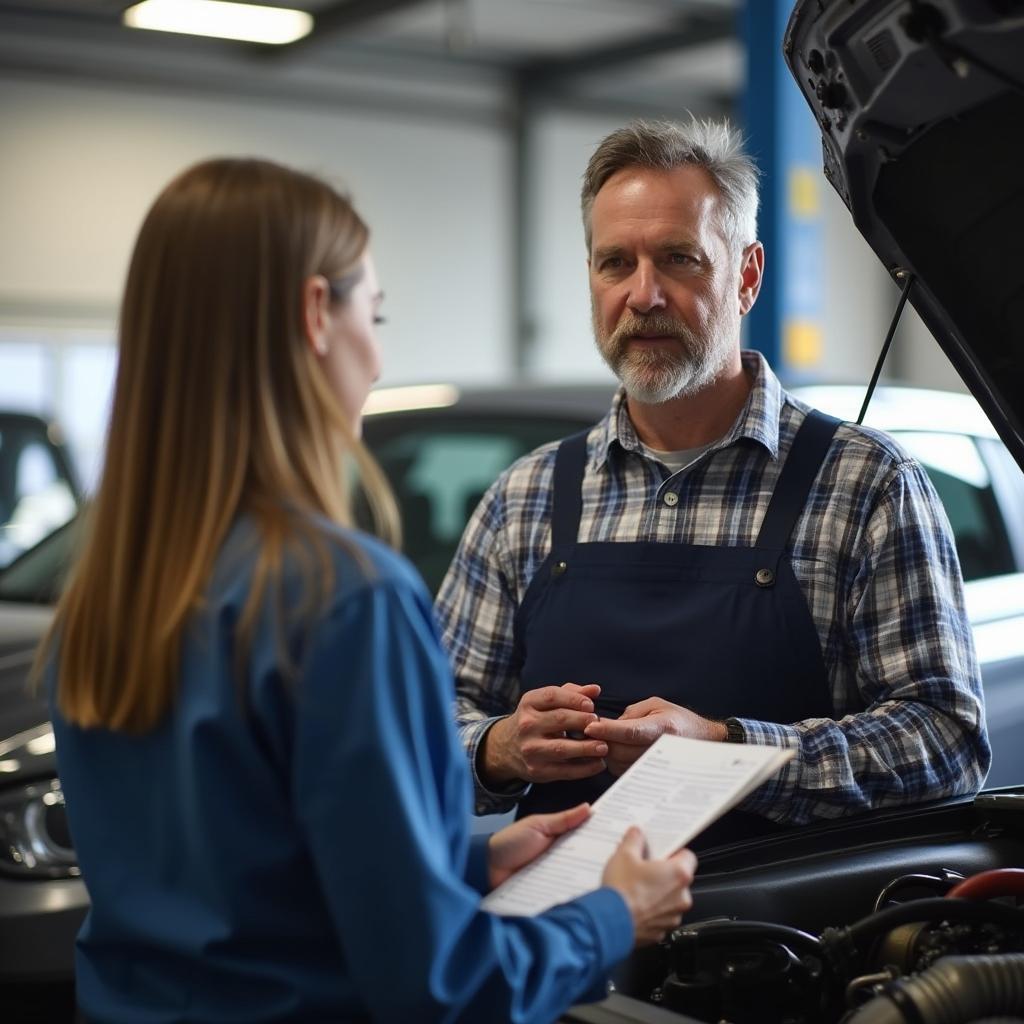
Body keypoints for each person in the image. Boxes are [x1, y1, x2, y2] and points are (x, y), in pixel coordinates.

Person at [41, 157, 698, 1023]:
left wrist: (463, 865)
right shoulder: (345, 599)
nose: (378, 353)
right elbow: (441, 987)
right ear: (319, 314)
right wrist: (613, 916)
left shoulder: (110, 593)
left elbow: (237, 885)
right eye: (373, 313)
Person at [436, 118, 991, 846]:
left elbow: (945, 740)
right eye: (614, 263)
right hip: (568, 940)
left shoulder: (867, 486)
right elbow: (423, 723)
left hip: (790, 942)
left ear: (748, 275)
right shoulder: (525, 498)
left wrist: (732, 752)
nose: (643, 295)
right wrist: (498, 748)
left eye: (678, 258)